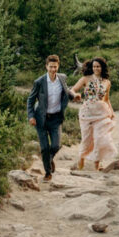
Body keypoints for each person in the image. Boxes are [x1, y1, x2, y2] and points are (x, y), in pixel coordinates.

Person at [26, 54, 78, 182]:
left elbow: (67, 90)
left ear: (58, 66)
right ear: (46, 66)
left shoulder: (62, 78)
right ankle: (48, 173)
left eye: (55, 67)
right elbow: (30, 100)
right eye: (50, 67)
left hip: (56, 118)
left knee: (55, 145)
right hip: (41, 119)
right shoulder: (39, 82)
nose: (53, 69)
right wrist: (31, 116)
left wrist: (74, 96)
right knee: (44, 148)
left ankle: (48, 159)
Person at [69, 57, 117, 170]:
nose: (96, 68)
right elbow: (72, 89)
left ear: (102, 68)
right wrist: (75, 95)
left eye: (98, 66)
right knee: (87, 139)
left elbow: (106, 99)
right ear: (91, 67)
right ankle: (81, 160)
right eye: (94, 66)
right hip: (87, 114)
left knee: (100, 138)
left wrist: (112, 112)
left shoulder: (107, 82)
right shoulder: (85, 79)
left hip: (102, 113)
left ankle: (97, 165)